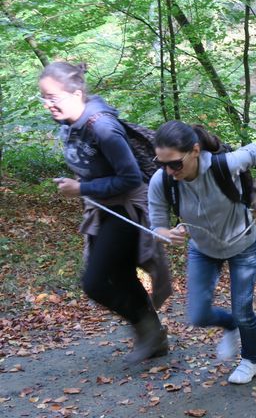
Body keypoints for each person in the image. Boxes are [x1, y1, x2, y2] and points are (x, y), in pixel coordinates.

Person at [39, 61, 168, 364]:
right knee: (121, 274)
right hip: (104, 207)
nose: (48, 105)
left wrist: (81, 188)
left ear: (77, 92)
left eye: (53, 97)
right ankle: (155, 338)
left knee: (95, 283)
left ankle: (148, 330)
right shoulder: (70, 122)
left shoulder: (102, 127)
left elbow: (131, 178)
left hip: (126, 208)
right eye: (43, 98)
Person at [148, 120, 256, 385]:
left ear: (195, 150)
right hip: (203, 249)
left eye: (175, 164)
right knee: (198, 315)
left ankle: (251, 361)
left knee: (242, 309)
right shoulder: (162, 182)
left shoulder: (225, 164)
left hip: (243, 245)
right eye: (161, 164)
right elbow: (156, 225)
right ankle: (230, 326)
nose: (169, 171)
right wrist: (166, 234)